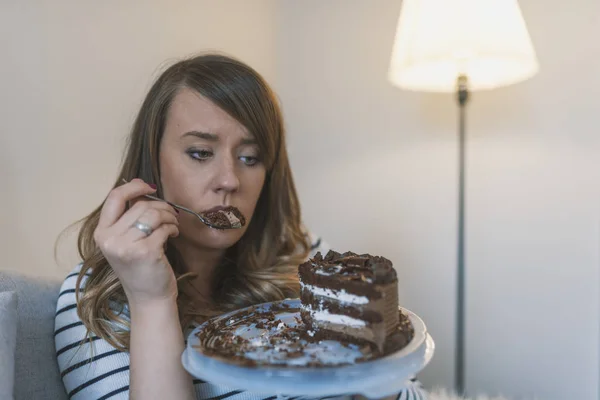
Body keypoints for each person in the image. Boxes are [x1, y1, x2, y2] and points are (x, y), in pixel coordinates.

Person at [54, 53, 426, 400]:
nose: (230, 180)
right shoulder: (95, 297)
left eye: (250, 158)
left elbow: (411, 393)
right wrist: (151, 301)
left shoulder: (304, 258)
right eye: (200, 153)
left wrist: (370, 366)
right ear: (152, 162)